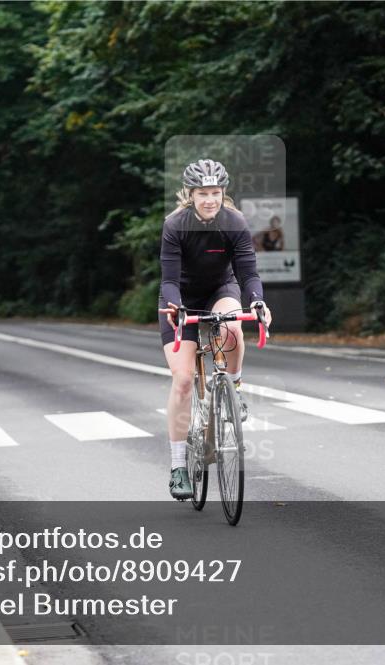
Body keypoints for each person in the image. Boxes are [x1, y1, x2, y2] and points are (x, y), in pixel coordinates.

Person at [157, 159, 272, 500]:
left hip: (221, 290)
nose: (210, 199)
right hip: (181, 298)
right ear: (190, 194)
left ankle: (234, 386)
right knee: (182, 381)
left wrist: (258, 302)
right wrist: (176, 309)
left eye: (216, 193)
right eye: (203, 193)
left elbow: (248, 273)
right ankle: (179, 467)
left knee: (234, 327)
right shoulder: (175, 225)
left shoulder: (234, 222)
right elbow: (168, 279)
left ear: (224, 193)